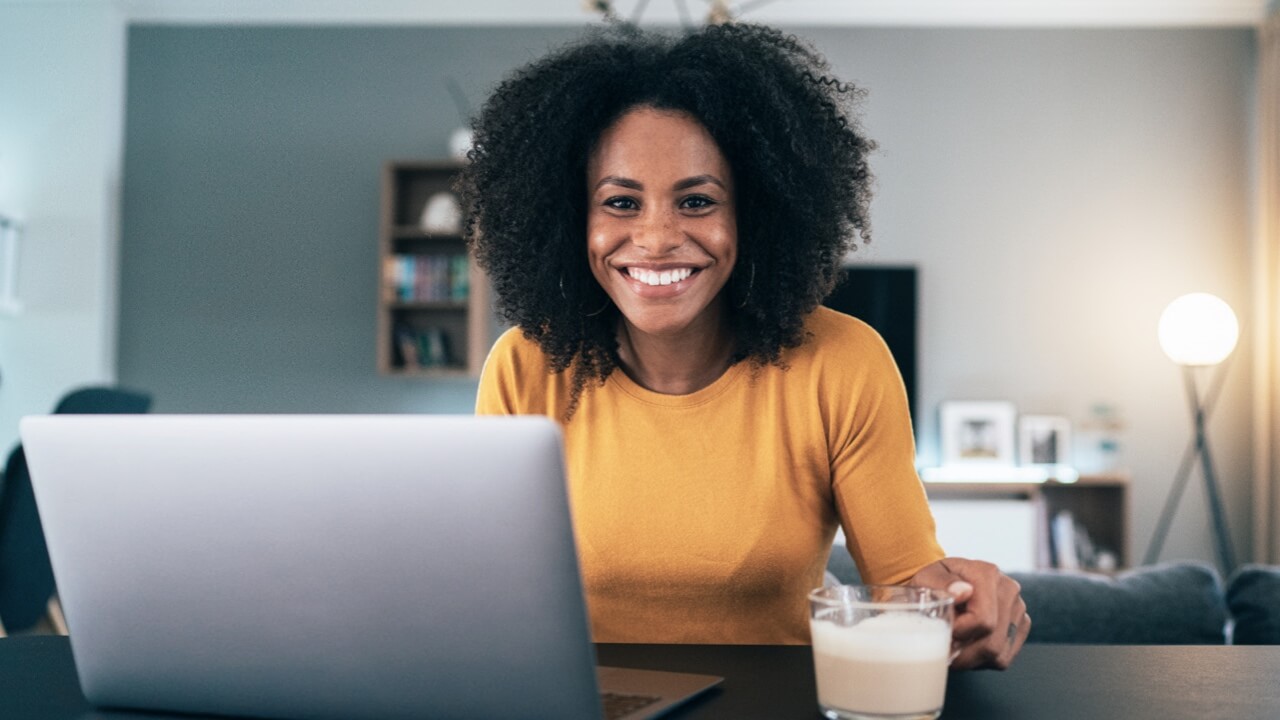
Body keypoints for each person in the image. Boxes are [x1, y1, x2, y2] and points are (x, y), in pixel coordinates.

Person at [461, 21, 1029, 669]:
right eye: (620, 202)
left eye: (697, 201)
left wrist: (963, 603)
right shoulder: (526, 364)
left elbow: (908, 590)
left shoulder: (843, 361)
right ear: (570, 219)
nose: (655, 239)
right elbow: (493, 598)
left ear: (754, 215)